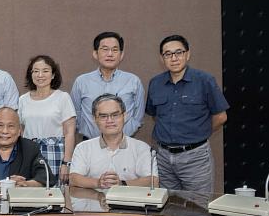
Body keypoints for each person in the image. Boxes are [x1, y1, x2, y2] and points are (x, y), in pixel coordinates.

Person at [145, 35, 229, 193]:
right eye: (168, 54)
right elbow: (156, 115)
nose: (174, 58)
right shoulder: (155, 83)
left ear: (188, 54)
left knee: (198, 209)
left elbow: (221, 116)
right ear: (162, 58)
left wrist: (198, 133)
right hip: (162, 157)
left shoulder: (205, 81)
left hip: (195, 156)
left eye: (179, 52)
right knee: (167, 206)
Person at [69, 94, 157, 189]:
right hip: (93, 201)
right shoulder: (83, 148)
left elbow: (153, 181)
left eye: (115, 115)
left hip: (131, 202)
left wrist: (122, 184)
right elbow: (73, 178)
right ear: (94, 119)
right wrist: (98, 183)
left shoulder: (142, 148)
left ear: (124, 116)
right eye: (103, 116)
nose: (110, 120)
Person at [70, 31, 145, 140]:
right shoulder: (81, 82)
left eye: (115, 50)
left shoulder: (133, 81)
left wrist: (127, 132)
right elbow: (75, 113)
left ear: (121, 54)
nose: (110, 54)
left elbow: (138, 116)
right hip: (90, 143)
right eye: (105, 49)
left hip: (125, 143)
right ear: (95, 54)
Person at [17, 55, 76, 185]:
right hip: (30, 153)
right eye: (36, 71)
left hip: (56, 153)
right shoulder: (23, 100)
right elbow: (20, 131)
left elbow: (69, 133)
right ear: (31, 74)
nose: (40, 75)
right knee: (30, 193)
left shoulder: (62, 98)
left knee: (55, 196)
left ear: (53, 74)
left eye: (45, 70)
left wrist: (66, 162)